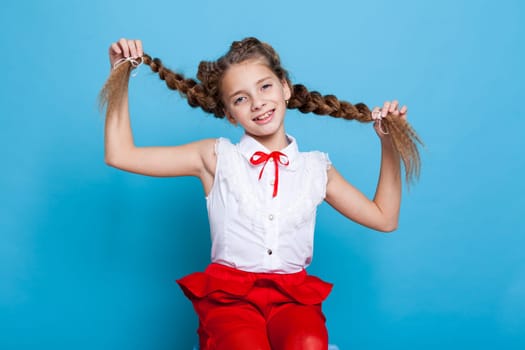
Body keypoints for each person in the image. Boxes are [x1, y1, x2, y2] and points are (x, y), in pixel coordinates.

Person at [99, 37, 421, 350]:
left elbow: (385, 217)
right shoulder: (215, 158)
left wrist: (388, 143)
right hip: (230, 302)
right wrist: (120, 73)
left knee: (308, 342)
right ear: (228, 113)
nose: (257, 103)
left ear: (285, 88)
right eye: (240, 98)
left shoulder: (316, 169)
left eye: (265, 87)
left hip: (293, 301)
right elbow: (121, 154)